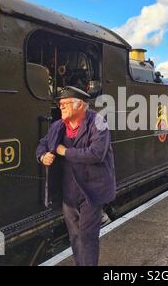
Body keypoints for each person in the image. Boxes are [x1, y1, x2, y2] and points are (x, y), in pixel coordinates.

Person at [36, 86, 116, 266]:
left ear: (80, 105)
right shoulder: (58, 126)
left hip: (91, 190)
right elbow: (42, 144)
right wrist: (42, 156)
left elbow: (96, 154)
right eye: (60, 104)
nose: (61, 107)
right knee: (74, 236)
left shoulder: (98, 122)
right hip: (68, 192)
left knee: (87, 236)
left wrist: (65, 152)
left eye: (65, 104)